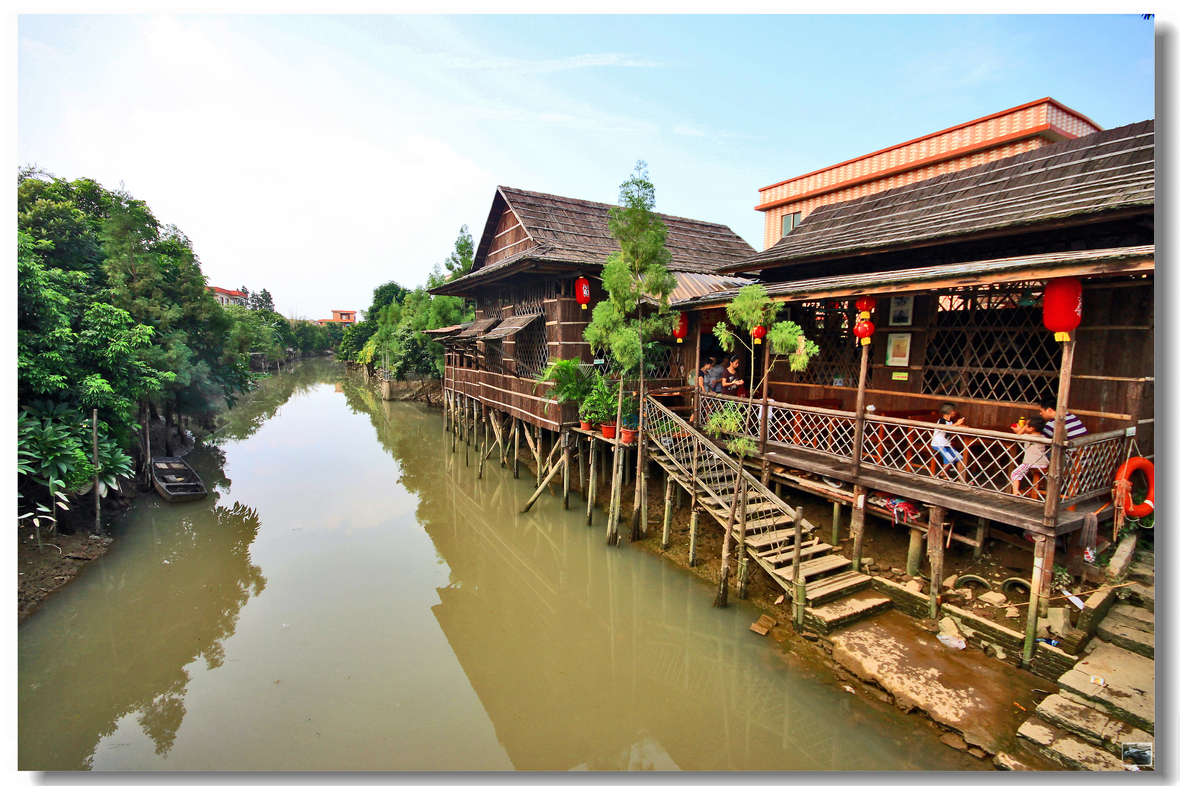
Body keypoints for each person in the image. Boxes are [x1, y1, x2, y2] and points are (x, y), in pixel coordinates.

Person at [1010, 415, 1049, 495]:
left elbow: (1018, 435)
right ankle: (1039, 486)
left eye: (1026, 425)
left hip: (1031, 462)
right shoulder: (1044, 437)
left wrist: (1022, 428)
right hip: (1044, 463)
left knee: (1014, 474)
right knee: (1031, 472)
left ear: (1031, 428)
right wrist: (1026, 427)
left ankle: (1015, 493)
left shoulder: (1028, 437)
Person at [931, 402, 965, 473]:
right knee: (949, 459)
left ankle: (961, 478)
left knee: (960, 458)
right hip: (938, 444)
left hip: (947, 444)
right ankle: (942, 474)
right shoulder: (941, 420)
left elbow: (956, 425)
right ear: (952, 412)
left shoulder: (951, 421)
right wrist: (956, 424)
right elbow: (943, 429)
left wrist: (961, 425)